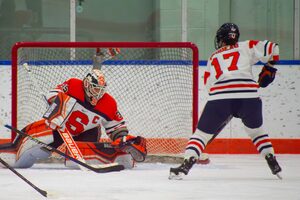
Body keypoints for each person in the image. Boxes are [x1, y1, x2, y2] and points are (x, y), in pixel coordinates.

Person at [169, 23, 282, 180]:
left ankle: (185, 166)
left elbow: (209, 86)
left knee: (200, 136)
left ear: (221, 39)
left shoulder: (213, 56)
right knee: (257, 132)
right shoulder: (247, 46)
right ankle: (272, 161)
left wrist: (221, 104)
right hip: (249, 96)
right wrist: (271, 67)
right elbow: (273, 48)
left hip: (220, 98)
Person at [0, 51, 147, 169]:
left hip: (86, 132)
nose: (98, 93)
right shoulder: (73, 85)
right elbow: (53, 94)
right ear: (87, 85)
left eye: (101, 90)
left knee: (90, 146)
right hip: (60, 127)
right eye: (95, 89)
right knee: (27, 151)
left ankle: (103, 155)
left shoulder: (108, 103)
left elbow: (116, 126)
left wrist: (121, 138)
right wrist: (56, 106)